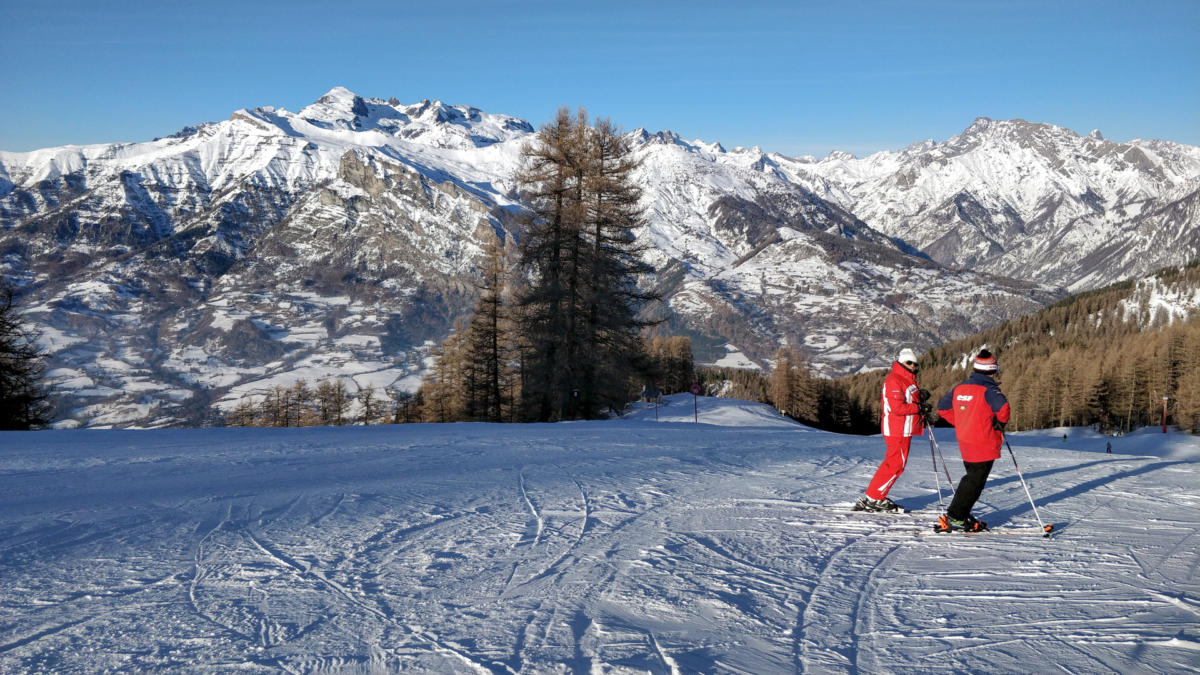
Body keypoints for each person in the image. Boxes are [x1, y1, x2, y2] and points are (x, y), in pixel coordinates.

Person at [935, 349, 1010, 532]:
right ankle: (956, 516)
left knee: (973, 477)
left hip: (965, 440)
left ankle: (961, 513)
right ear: (992, 371)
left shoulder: (960, 387)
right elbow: (1004, 409)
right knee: (974, 481)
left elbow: (943, 409)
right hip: (983, 441)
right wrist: (998, 422)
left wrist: (962, 422)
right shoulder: (989, 389)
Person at [855, 347, 930, 512]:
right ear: (901, 362)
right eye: (909, 363)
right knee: (896, 464)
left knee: (893, 463)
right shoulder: (895, 380)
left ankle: (873, 496)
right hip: (897, 429)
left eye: (915, 364)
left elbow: (907, 399)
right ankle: (875, 498)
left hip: (903, 428)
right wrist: (918, 408)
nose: (913, 366)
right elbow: (897, 408)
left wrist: (920, 397)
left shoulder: (906, 379)